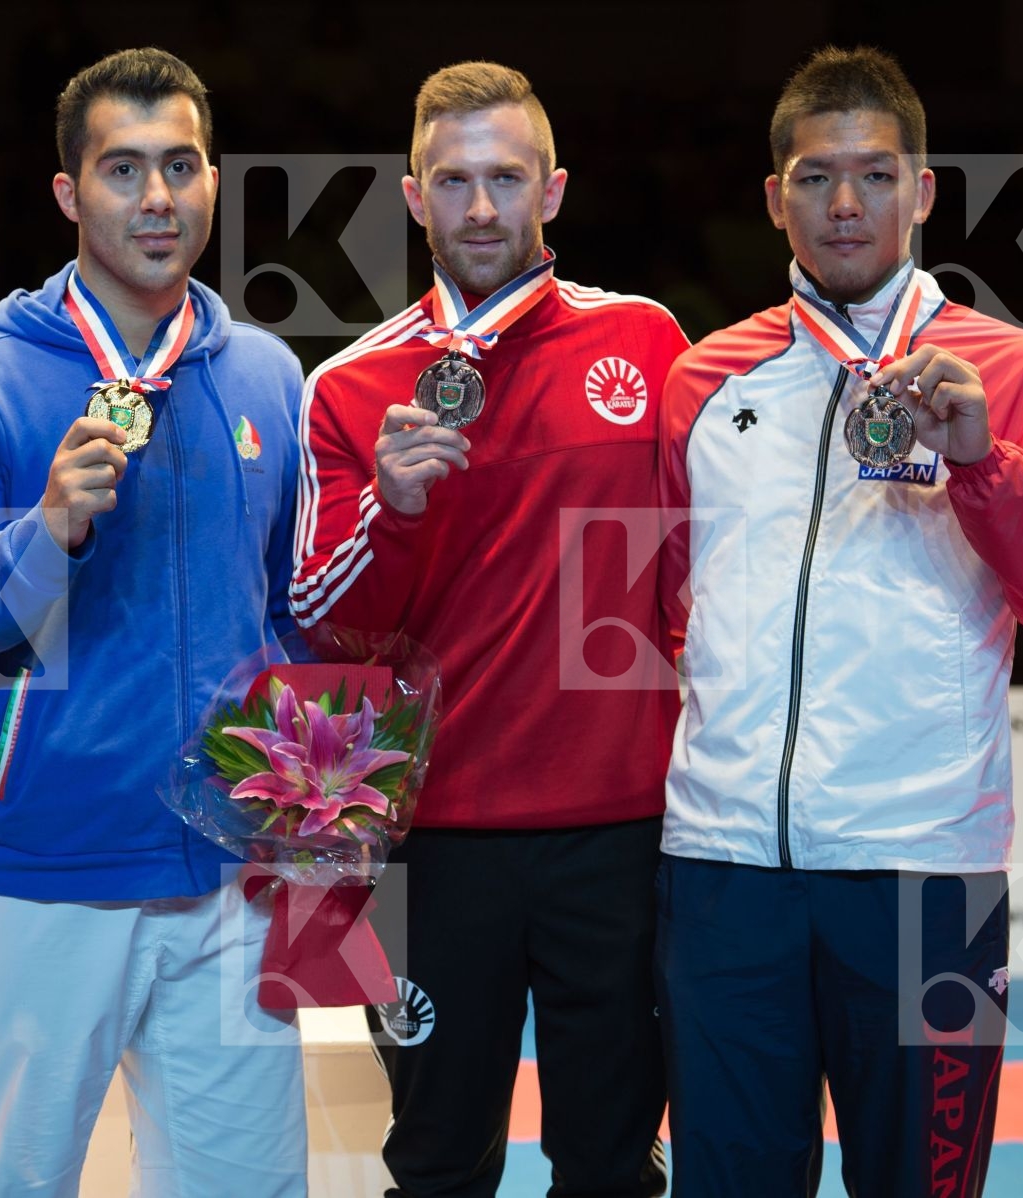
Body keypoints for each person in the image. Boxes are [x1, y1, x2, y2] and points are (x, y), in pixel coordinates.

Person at [654, 46, 1023, 1198]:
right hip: (724, 871)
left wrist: (986, 465)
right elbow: (670, 612)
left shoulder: (1018, 373)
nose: (845, 203)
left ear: (922, 191)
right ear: (773, 197)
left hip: (934, 880)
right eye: (816, 177)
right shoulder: (703, 381)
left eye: (875, 175)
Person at [0, 47, 308, 1197]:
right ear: (69, 193)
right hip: (43, 882)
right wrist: (47, 533)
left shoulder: (270, 377)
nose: (157, 197)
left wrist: (315, 796)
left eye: (181, 165)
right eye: (123, 170)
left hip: (231, 883)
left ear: (215, 180)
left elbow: (285, 616)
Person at [293, 61, 687, 1197]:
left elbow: (703, 573)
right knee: (434, 1164)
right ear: (412, 197)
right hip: (428, 842)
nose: (478, 208)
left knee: (613, 1167)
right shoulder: (349, 386)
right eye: (453, 181)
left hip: (621, 835)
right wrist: (392, 510)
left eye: (505, 178)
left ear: (551, 190)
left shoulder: (649, 343)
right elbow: (324, 625)